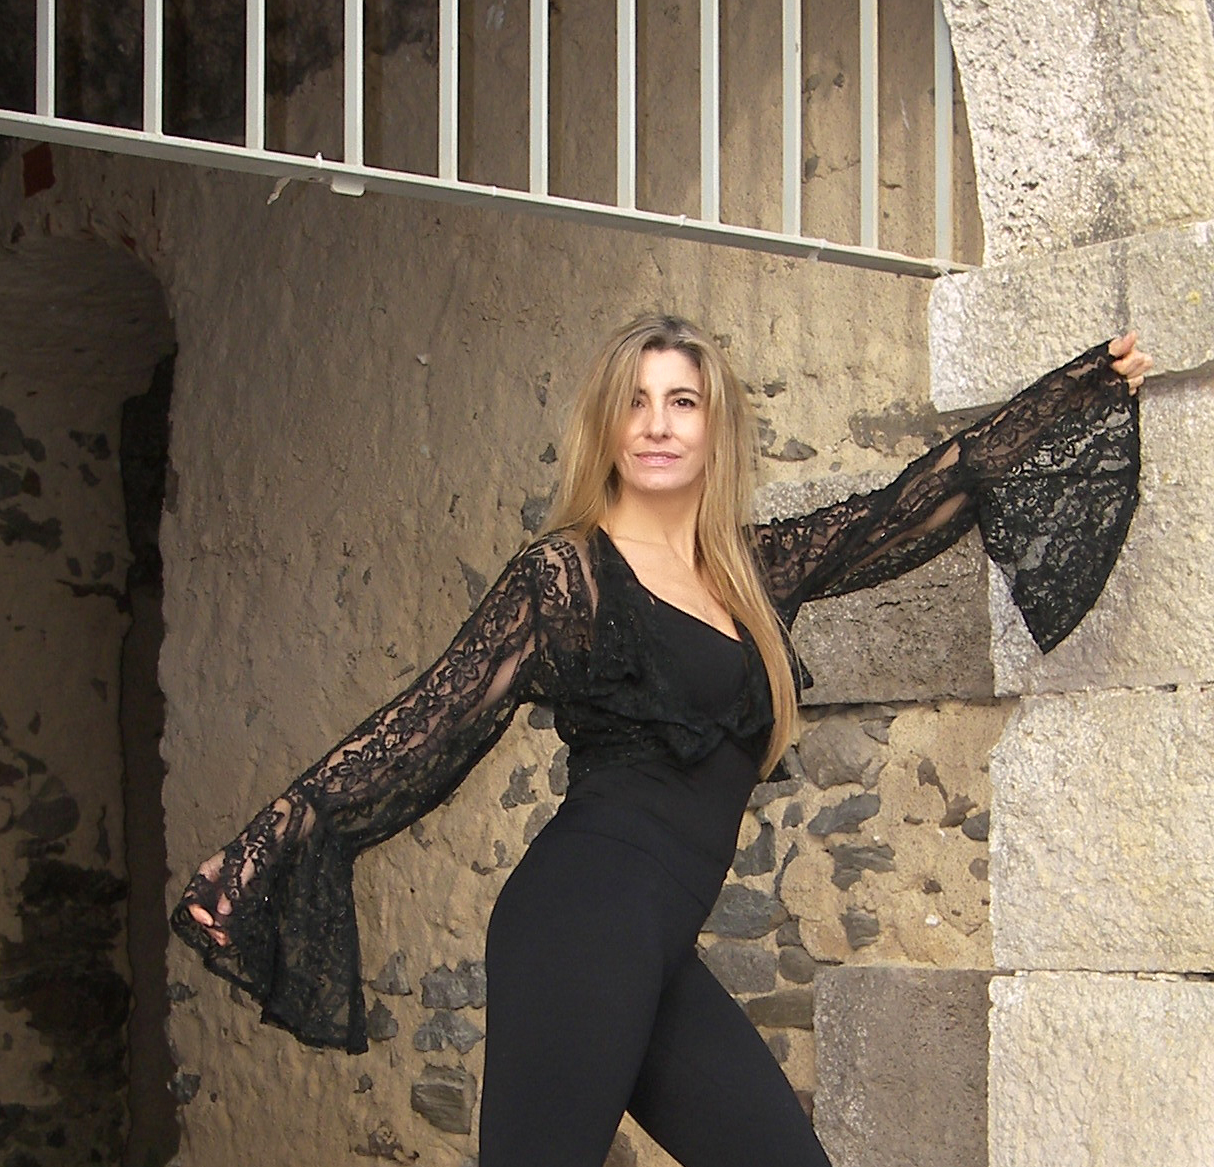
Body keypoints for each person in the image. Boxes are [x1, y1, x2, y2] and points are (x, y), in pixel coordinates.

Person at [170, 316, 1153, 1167]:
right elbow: (427, 724)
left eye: (682, 401)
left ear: (714, 427)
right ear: (606, 425)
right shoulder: (567, 577)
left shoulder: (749, 571)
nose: (657, 423)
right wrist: (268, 843)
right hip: (577, 927)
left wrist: (1079, 389)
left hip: (654, 946)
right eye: (635, 402)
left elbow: (913, 502)